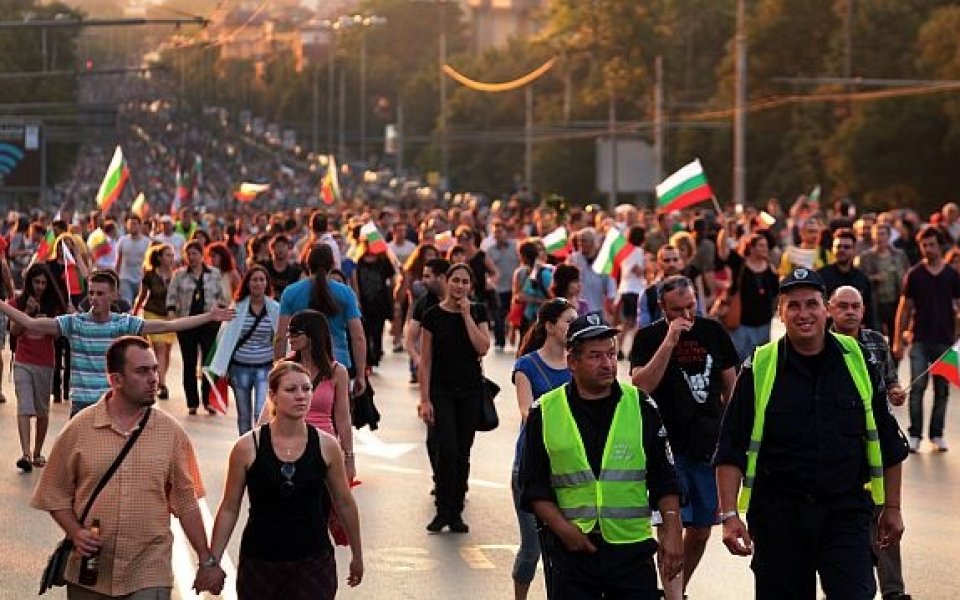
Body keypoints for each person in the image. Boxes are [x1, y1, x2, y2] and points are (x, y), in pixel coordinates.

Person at [715, 268, 909, 600]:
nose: (803, 314)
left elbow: (888, 441)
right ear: (780, 312)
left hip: (845, 513)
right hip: (779, 518)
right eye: (793, 306)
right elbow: (731, 446)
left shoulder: (857, 360)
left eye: (811, 304)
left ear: (826, 310)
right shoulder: (758, 366)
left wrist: (892, 507)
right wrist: (729, 515)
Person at [31, 336, 220, 599]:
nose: (154, 378)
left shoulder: (171, 434)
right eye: (142, 372)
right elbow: (54, 493)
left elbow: (186, 503)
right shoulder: (79, 429)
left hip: (148, 570)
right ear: (115, 380)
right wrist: (76, 533)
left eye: (155, 369)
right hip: (91, 572)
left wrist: (207, 560)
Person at [520, 312, 683, 599]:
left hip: (630, 550)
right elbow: (533, 486)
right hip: (571, 553)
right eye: (595, 356)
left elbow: (665, 477)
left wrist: (672, 531)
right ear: (573, 362)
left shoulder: (641, 406)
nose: (608, 364)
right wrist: (563, 530)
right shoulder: (544, 412)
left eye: (611, 354)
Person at [208, 361, 363, 599]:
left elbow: (344, 502)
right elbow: (229, 508)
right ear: (273, 396)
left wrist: (357, 555)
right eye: (291, 390)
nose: (301, 396)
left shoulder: (326, 445)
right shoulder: (247, 447)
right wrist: (212, 562)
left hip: (313, 560)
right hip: (260, 561)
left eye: (306, 389)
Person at [630, 275, 738, 595]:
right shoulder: (648, 338)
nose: (686, 316)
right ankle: (675, 595)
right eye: (676, 310)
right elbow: (640, 386)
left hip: (707, 447)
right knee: (671, 529)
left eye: (691, 307)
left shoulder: (713, 332)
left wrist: (732, 435)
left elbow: (731, 387)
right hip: (666, 448)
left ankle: (674, 590)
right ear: (662, 308)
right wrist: (670, 341)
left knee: (702, 531)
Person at [0, 269, 235, 416]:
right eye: (91, 293)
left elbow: (168, 326)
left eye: (100, 294)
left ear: (113, 296)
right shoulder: (75, 323)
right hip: (81, 406)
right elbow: (30, 324)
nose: (94, 298)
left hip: (113, 405)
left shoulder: (122, 324)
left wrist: (210, 317)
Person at [827, 285, 912, 600]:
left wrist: (895, 391)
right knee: (847, 521)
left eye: (855, 306)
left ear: (863, 310)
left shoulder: (876, 342)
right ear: (830, 309)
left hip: (877, 441)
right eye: (843, 306)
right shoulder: (823, 344)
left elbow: (890, 379)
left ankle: (893, 590)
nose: (850, 312)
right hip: (839, 444)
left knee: (884, 513)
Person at [511, 298, 577, 599]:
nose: (573, 327)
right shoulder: (527, 365)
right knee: (532, 546)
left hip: (571, 467)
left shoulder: (578, 364)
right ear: (550, 326)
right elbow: (526, 411)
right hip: (532, 466)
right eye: (568, 321)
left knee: (567, 545)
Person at [417, 262, 491, 533]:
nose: (460, 286)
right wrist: (425, 399)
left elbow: (483, 347)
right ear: (446, 282)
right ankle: (442, 509)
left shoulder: (478, 311)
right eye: (455, 280)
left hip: (470, 392)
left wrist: (467, 316)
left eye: (465, 281)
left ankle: (456, 511)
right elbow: (425, 360)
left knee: (462, 452)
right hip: (442, 392)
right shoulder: (432, 315)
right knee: (446, 450)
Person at [892, 225, 960, 453]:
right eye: (924, 245)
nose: (928, 249)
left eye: (932, 244)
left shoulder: (952, 275)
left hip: (945, 340)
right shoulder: (914, 274)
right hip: (920, 338)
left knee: (942, 391)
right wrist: (897, 340)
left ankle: (937, 434)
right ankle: (914, 435)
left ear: (940, 246)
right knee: (917, 387)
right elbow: (904, 307)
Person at [276, 244, 366, 397]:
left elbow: (280, 337)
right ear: (333, 265)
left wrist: (278, 370)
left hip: (301, 364)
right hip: (338, 363)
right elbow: (357, 337)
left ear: (307, 264)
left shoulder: (291, 292)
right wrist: (360, 374)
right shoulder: (345, 293)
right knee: (338, 414)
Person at [208, 265, 279, 434]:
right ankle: (245, 448)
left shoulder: (275, 308)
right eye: (254, 280)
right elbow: (225, 337)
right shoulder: (237, 307)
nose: (258, 283)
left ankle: (261, 447)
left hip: (265, 367)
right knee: (244, 415)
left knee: (261, 413)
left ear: (267, 284)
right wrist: (222, 366)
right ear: (247, 283)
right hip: (240, 367)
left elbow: (281, 336)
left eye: (262, 280)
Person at [10, 263, 67, 472]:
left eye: (43, 282)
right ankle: (25, 453)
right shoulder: (18, 302)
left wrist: (48, 323)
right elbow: (14, 331)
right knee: (24, 406)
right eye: (36, 282)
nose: (40, 286)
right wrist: (27, 313)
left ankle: (37, 451)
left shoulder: (53, 304)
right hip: (23, 361)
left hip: (45, 363)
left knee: (42, 410)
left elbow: (60, 334)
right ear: (29, 282)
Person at [287, 309, 355, 482]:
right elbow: (270, 408)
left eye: (295, 332)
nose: (289, 337)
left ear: (312, 336)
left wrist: (349, 457)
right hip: (288, 446)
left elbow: (343, 417)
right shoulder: (286, 368)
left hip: (323, 449)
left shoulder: (337, 372)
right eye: (289, 332)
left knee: (321, 505)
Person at [167, 240, 230, 415]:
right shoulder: (179, 274)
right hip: (187, 322)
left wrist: (221, 312)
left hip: (209, 322)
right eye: (189, 254)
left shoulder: (214, 273)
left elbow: (223, 296)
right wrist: (172, 314)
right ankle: (192, 402)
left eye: (195, 253)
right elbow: (171, 296)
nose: (192, 257)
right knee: (189, 362)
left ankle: (208, 400)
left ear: (202, 255)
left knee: (208, 363)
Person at [716, 231, 780, 360]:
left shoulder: (770, 269)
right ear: (751, 248)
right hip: (742, 325)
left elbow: (775, 294)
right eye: (761, 246)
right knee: (740, 362)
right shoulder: (740, 264)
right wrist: (724, 229)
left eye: (766, 245)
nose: (765, 249)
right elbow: (723, 252)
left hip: (764, 324)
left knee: (761, 362)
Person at [133, 243, 175, 400]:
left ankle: (160, 378)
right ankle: (161, 384)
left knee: (167, 350)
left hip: (170, 316)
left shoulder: (176, 275)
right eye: (167, 255)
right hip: (152, 313)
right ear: (159, 257)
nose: (170, 259)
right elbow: (142, 295)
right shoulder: (150, 275)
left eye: (172, 255)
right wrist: (135, 311)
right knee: (159, 348)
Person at [855, 223, 909, 338]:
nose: (879, 237)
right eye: (876, 234)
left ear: (889, 236)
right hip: (875, 303)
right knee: (877, 334)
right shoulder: (865, 257)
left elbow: (907, 274)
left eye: (882, 234)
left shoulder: (899, 255)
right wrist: (874, 278)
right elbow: (858, 279)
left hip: (895, 301)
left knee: (895, 333)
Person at [818, 228, 876, 330]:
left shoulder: (862, 279)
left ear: (854, 250)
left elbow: (870, 313)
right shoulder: (821, 276)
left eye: (846, 247)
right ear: (832, 249)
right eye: (838, 247)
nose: (842, 250)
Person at [352, 235, 395, 369]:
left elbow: (392, 279)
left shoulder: (383, 260)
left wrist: (392, 296)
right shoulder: (359, 261)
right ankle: (367, 359)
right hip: (364, 301)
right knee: (365, 330)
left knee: (377, 330)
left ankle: (376, 354)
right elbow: (356, 282)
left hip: (380, 301)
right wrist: (357, 299)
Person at [486, 220, 520, 351]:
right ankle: (500, 342)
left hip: (514, 287)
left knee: (514, 315)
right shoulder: (490, 251)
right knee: (498, 315)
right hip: (498, 288)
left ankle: (515, 337)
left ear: (506, 232)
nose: (497, 235)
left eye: (500, 232)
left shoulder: (515, 246)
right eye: (495, 233)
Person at [639, 245, 686, 327]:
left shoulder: (691, 289)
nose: (671, 264)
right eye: (666, 260)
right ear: (658, 263)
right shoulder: (649, 293)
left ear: (681, 261)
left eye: (675, 259)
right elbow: (644, 328)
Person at [115, 215, 151, 305]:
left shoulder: (147, 242)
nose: (132, 226)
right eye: (130, 224)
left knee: (139, 303)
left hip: (141, 278)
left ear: (140, 225)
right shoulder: (122, 241)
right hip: (125, 278)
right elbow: (118, 261)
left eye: (134, 224)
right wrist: (115, 280)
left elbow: (149, 263)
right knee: (127, 303)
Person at [261, 234, 302, 299]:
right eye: (278, 246)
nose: (280, 249)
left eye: (283, 246)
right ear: (272, 248)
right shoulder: (263, 267)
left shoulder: (296, 271)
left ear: (288, 249)